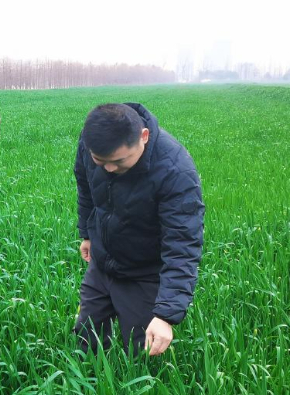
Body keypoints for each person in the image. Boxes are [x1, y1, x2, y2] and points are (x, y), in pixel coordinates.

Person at [74, 103, 204, 356]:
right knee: (86, 340)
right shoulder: (91, 144)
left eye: (119, 161)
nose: (109, 169)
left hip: (144, 270)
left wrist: (166, 315)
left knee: (141, 354)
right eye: (100, 161)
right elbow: (86, 187)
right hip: (102, 260)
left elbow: (182, 243)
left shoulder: (175, 171)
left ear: (144, 136)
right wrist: (87, 234)